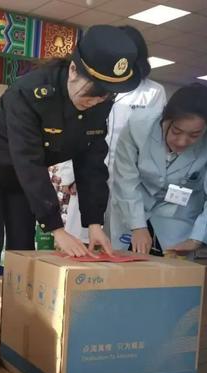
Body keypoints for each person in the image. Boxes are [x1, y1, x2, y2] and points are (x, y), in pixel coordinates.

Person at [0, 25, 144, 334]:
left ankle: (14, 337)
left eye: (104, 96)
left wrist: (94, 223)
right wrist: (57, 229)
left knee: (22, 251)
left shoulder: (100, 101)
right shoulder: (30, 93)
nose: (96, 102)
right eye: (91, 95)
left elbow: (92, 161)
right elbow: (28, 160)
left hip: (22, 178)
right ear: (73, 70)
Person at [58, 25, 167, 247]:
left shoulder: (152, 92)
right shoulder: (96, 84)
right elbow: (76, 130)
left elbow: (153, 144)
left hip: (128, 180)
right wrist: (70, 174)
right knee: (82, 241)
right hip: (89, 173)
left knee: (118, 245)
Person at [111, 83, 207, 256]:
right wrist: (137, 226)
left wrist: (198, 238)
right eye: (176, 131)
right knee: (124, 263)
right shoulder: (138, 125)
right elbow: (125, 180)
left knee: (172, 267)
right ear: (165, 118)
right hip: (133, 205)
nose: (182, 141)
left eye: (194, 135)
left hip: (178, 216)